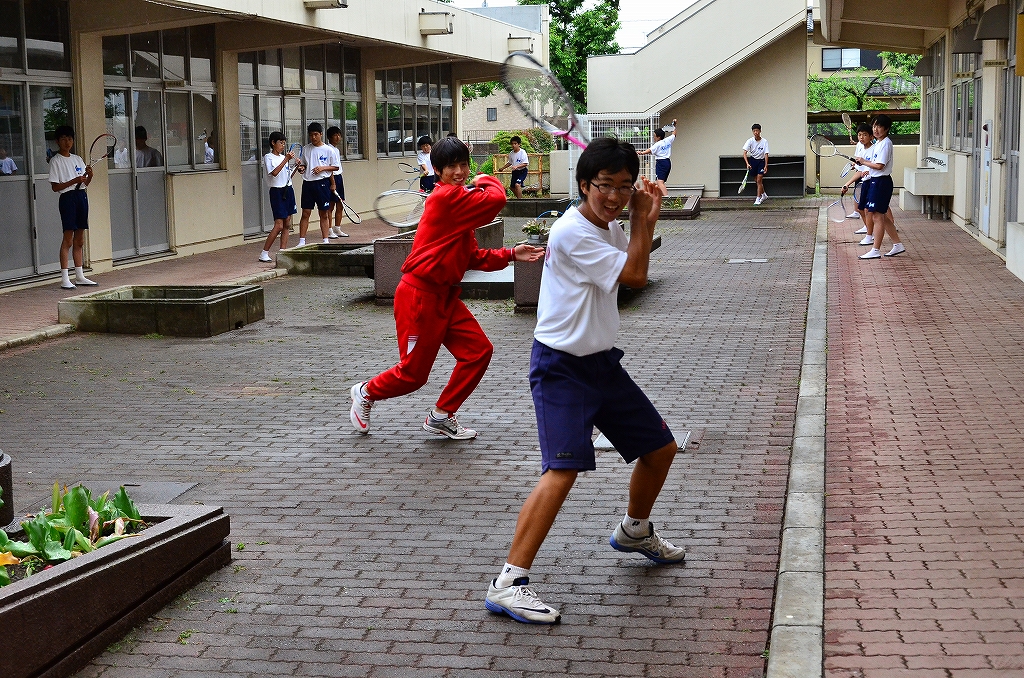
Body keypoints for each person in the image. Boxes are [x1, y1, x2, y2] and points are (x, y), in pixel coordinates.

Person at [484, 137, 683, 625]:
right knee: (563, 469)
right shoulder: (573, 232)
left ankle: (635, 531)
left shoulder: (608, 225)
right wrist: (644, 217)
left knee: (660, 448)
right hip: (562, 369)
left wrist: (635, 217)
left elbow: (630, 266)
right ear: (582, 185)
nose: (614, 196)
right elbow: (635, 275)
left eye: (623, 186)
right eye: (604, 186)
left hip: (602, 366)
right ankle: (508, 583)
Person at [349, 137, 544, 439]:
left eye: (464, 165)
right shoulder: (444, 198)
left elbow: (472, 257)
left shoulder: (456, 202)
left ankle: (441, 415)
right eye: (452, 166)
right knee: (413, 375)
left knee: (478, 352)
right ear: (437, 170)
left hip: (444, 296)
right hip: (419, 296)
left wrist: (510, 253)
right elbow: (496, 199)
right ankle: (365, 392)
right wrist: (484, 177)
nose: (460, 171)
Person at [48, 125, 98, 290]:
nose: (67, 142)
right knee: (68, 239)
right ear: (57, 141)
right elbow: (55, 187)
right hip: (67, 199)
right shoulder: (56, 161)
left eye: (69, 138)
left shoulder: (77, 159)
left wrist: (89, 176)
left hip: (81, 197)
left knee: (80, 239)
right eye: (63, 138)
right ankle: (64, 278)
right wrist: (74, 181)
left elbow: (85, 184)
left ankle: (80, 276)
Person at [856, 114, 904, 259]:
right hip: (875, 181)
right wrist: (862, 164)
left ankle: (875, 249)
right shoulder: (878, 143)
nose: (875, 129)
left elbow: (879, 165)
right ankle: (897, 244)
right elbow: (873, 165)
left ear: (887, 128)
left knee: (877, 216)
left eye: (879, 126)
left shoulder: (885, 143)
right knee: (880, 215)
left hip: (881, 182)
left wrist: (864, 162)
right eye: (874, 126)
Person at [296, 122, 338, 247]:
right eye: (311, 135)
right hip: (308, 184)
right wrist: (301, 168)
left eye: (315, 134)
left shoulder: (328, 150)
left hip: (322, 183)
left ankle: (325, 240)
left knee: (323, 213)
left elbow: (335, 167)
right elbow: (303, 164)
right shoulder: (306, 149)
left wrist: (322, 168)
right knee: (305, 212)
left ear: (321, 134)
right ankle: (302, 241)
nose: (313, 137)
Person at [259, 131, 297, 262]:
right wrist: (286, 159)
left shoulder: (283, 158)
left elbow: (287, 176)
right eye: (280, 143)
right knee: (279, 224)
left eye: (284, 143)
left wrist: (297, 167)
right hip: (276, 192)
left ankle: (283, 251)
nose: (282, 145)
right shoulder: (268, 157)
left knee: (287, 222)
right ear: (273, 143)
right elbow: (274, 173)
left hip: (288, 189)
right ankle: (264, 252)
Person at [841, 123, 873, 232]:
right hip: (865, 182)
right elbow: (860, 170)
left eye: (864, 135)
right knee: (862, 209)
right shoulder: (862, 150)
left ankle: (875, 232)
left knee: (875, 212)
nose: (861, 137)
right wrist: (847, 184)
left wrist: (869, 171)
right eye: (859, 135)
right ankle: (869, 233)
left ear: (871, 136)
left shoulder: (875, 149)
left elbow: (879, 166)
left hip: (875, 183)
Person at [638, 118, 677, 195]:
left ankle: (666, 198)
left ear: (659, 137)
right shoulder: (668, 140)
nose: (654, 137)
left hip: (661, 163)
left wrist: (642, 153)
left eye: (654, 136)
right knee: (657, 182)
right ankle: (653, 196)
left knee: (660, 182)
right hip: (667, 162)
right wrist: (674, 125)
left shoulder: (658, 144)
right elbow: (674, 133)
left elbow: (649, 150)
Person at [325, 126, 349, 239]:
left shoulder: (337, 149)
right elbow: (330, 168)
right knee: (331, 206)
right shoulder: (327, 149)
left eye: (339, 135)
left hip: (339, 177)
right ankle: (329, 230)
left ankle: (337, 228)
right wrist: (332, 183)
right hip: (331, 178)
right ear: (329, 137)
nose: (338, 137)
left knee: (340, 204)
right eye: (335, 135)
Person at [742, 124, 770, 205]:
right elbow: (744, 152)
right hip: (753, 161)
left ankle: (758, 198)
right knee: (757, 181)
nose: (756, 132)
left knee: (759, 180)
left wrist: (766, 165)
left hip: (761, 162)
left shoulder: (764, 141)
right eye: (754, 131)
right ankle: (764, 195)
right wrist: (747, 163)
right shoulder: (750, 141)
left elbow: (766, 154)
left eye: (757, 131)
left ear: (760, 131)